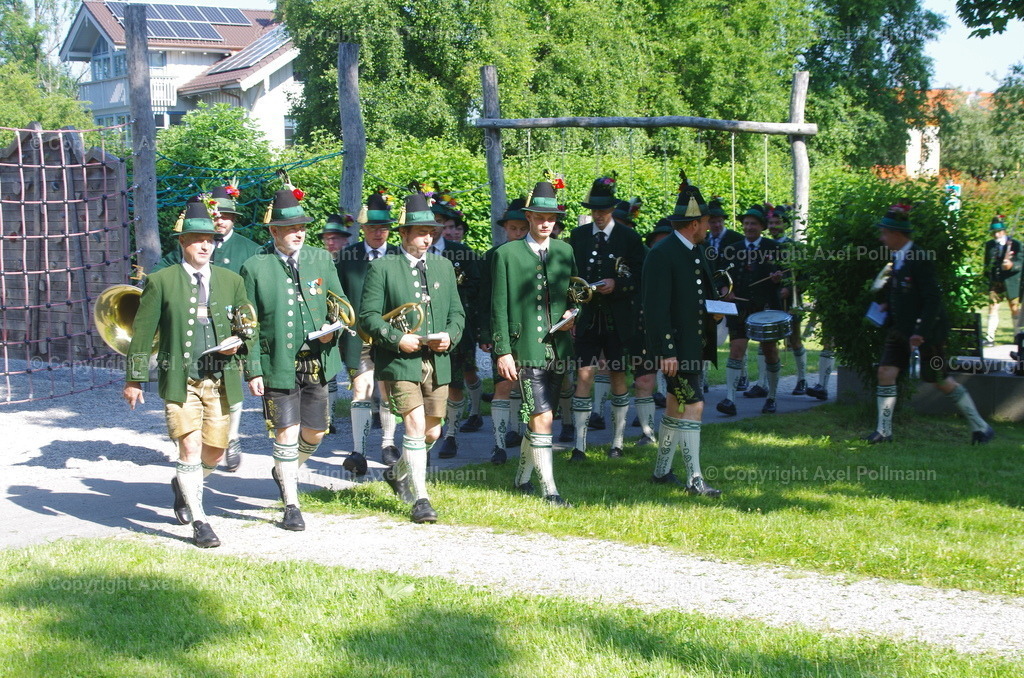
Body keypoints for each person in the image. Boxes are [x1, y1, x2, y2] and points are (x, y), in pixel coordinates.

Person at [124, 200, 252, 548]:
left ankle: (184, 485)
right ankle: (201, 521)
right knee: (191, 447)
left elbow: (248, 328)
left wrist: (241, 348)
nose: (204, 245)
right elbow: (142, 331)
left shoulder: (232, 280)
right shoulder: (161, 280)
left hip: (221, 379)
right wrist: (134, 379)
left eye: (209, 238)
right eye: (196, 239)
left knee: (214, 451)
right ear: (182, 243)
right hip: (180, 380)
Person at [241, 184, 351, 532]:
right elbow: (248, 325)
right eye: (291, 228)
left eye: (302, 227)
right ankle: (291, 502)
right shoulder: (254, 267)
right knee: (285, 433)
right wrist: (253, 370)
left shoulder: (321, 258)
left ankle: (284, 468)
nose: (298, 233)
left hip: (318, 362)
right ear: (274, 231)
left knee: (316, 433)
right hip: (278, 365)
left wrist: (336, 324)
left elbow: (340, 301)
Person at [359, 192, 465, 523]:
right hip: (399, 361)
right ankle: (421, 499)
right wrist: (396, 338)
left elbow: (458, 314)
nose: (427, 237)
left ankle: (397, 473)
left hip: (438, 359)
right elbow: (368, 317)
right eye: (420, 232)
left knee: (432, 432)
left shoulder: (445, 266)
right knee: (415, 425)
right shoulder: (382, 267)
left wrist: (451, 336)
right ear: (403, 234)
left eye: (431, 232)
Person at [151, 184, 259, 473]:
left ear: (234, 218)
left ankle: (232, 437)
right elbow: (162, 273)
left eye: (226, 215)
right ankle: (191, 463)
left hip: (234, 328)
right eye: (217, 215)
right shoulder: (190, 248)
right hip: (193, 339)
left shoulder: (251, 249)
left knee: (230, 388)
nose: (221, 219)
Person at [866, 204, 995, 445]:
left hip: (928, 335)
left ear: (897, 234)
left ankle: (981, 427)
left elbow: (932, 300)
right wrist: (885, 305)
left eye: (884, 232)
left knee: (939, 378)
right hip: (899, 331)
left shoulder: (920, 259)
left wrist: (921, 333)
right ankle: (883, 431)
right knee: (885, 372)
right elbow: (902, 293)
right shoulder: (898, 258)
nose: (881, 238)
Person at [491, 179, 577, 506]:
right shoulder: (507, 254)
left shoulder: (566, 251)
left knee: (543, 415)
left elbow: (576, 292)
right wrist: (502, 351)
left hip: (559, 347)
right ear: (527, 216)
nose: (545, 223)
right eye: (539, 217)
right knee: (541, 416)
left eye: (551, 218)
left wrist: (574, 312)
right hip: (523, 346)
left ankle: (521, 479)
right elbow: (498, 305)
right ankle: (550, 491)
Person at [642, 172, 721, 497]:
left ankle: (661, 472)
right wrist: (667, 351)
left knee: (676, 404)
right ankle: (695, 479)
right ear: (694, 223)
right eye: (706, 221)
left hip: (694, 345)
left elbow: (699, 295)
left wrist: (715, 309)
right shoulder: (662, 254)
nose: (708, 226)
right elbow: (655, 309)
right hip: (676, 349)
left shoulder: (696, 251)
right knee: (694, 405)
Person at [568, 176, 645, 461]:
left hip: (618, 317)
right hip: (587, 317)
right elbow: (569, 275)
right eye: (593, 210)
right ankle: (579, 445)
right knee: (584, 375)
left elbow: (639, 276)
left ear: (612, 209)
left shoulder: (630, 238)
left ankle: (617, 442)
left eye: (603, 210)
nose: (598, 216)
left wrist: (618, 285)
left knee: (617, 374)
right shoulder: (578, 236)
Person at [336, 192, 402, 471]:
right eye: (373, 228)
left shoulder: (400, 257)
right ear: (362, 229)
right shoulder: (346, 257)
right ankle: (358, 451)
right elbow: (335, 297)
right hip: (357, 336)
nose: (378, 233)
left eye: (384, 228)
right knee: (360, 390)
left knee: (387, 390)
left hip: (390, 334)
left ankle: (387, 443)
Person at [716, 205, 786, 416]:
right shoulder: (733, 247)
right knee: (736, 350)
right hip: (740, 306)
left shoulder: (773, 247)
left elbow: (785, 277)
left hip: (766, 308)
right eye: (746, 223)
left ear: (762, 227)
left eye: (753, 224)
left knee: (770, 351)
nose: (748, 227)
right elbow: (720, 275)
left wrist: (778, 280)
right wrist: (724, 290)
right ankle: (730, 399)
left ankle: (771, 397)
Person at [429, 192, 484, 457]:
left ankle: (450, 434)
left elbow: (477, 289)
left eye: (439, 222)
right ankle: (422, 433)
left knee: (455, 382)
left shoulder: (462, 253)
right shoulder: (405, 255)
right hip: (420, 330)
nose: (434, 227)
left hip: (456, 329)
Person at [477, 197, 529, 464]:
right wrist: (485, 334)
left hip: (531, 332)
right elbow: (485, 299)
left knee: (527, 385)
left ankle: (520, 433)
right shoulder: (492, 256)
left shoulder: (537, 256)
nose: (517, 233)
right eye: (513, 228)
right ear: (505, 228)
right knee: (503, 384)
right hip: (502, 332)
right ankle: (498, 444)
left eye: (522, 228)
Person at [319, 213, 355, 434]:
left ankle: (374, 412)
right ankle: (328, 418)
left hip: (352, 323)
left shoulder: (354, 261)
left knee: (358, 370)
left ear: (346, 239)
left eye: (335, 238)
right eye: (327, 238)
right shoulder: (320, 262)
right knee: (329, 370)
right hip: (328, 322)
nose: (331, 242)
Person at [982, 215, 1021, 346]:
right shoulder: (990, 245)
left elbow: (1021, 263)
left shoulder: (1016, 244)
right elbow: (987, 264)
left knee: (1014, 308)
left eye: (998, 232)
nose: (996, 234)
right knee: (992, 308)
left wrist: (1011, 265)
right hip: (996, 281)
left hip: (1011, 281)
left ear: (1004, 231)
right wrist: (987, 280)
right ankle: (990, 338)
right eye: (993, 232)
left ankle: (1017, 336)